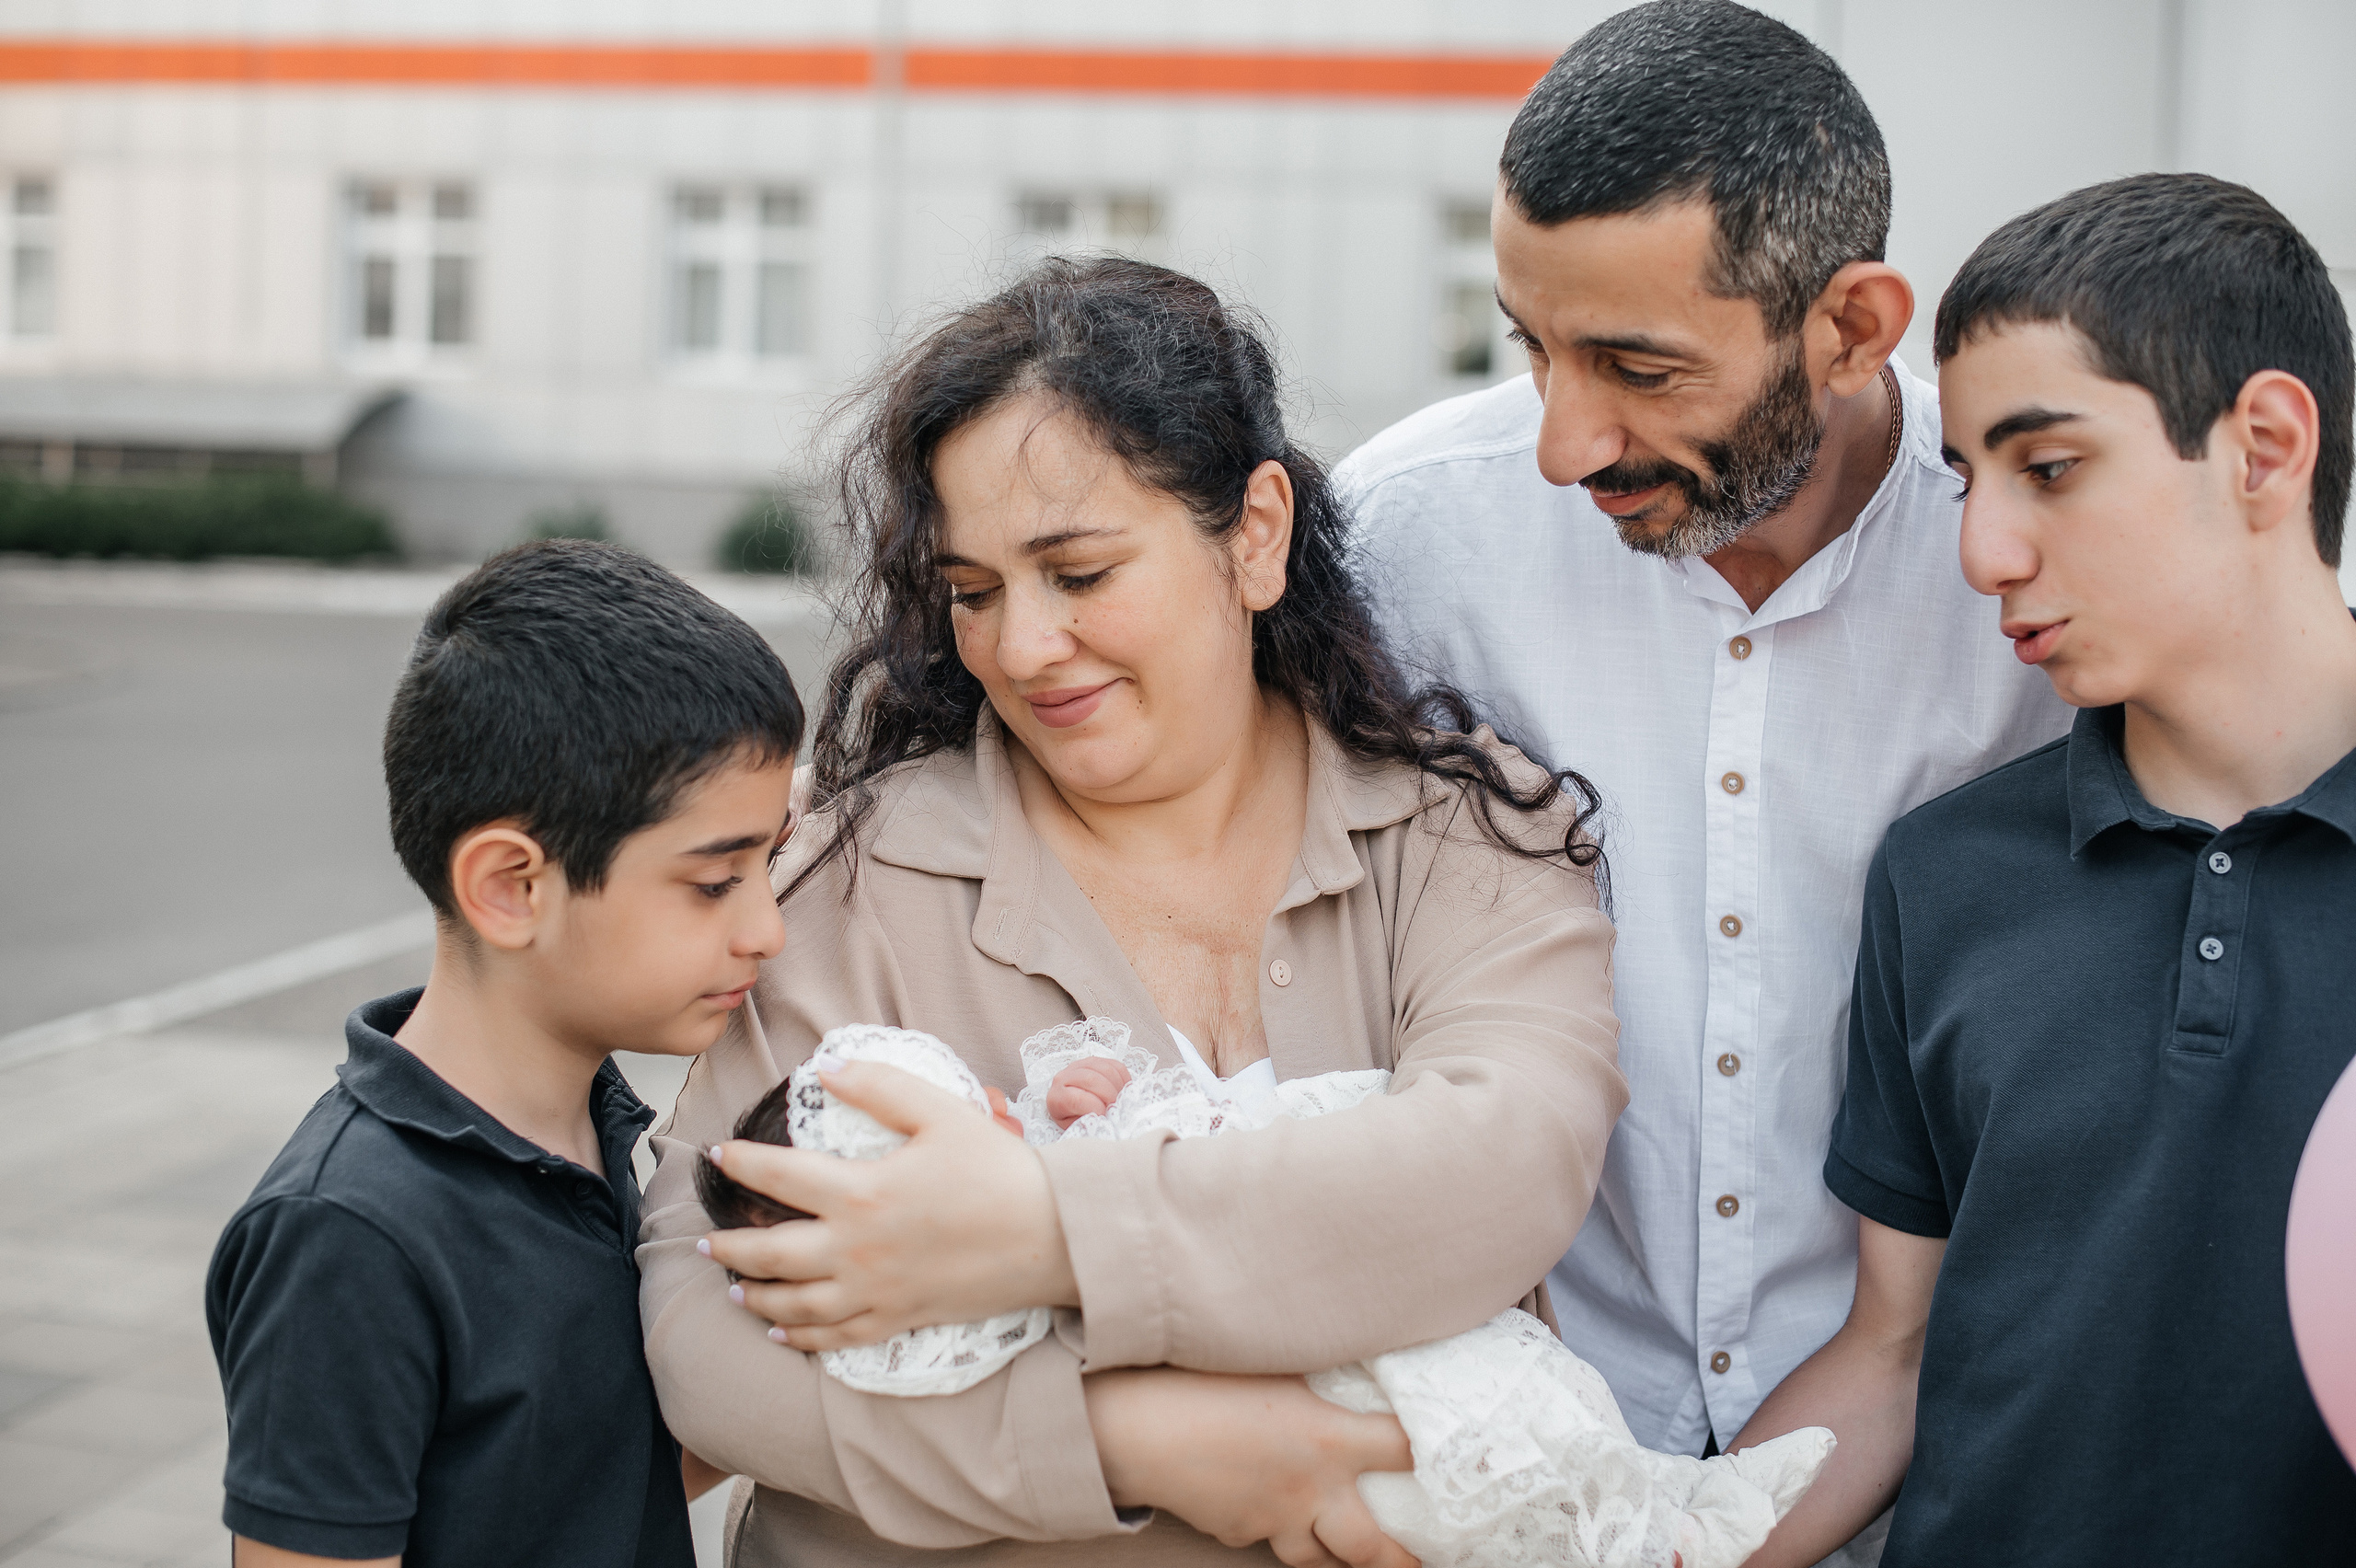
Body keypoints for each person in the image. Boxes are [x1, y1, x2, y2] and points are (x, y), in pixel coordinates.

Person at [635, 255, 1627, 1566]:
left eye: (1080, 572)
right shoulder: (851, 880)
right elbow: (701, 1342)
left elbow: (1497, 1174)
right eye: (973, 592)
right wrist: (1129, 1444)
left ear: (1255, 534)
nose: (1021, 648)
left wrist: (1033, 1233)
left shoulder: (1463, 835)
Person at [1335, 1, 2069, 1534]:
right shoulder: (1405, 538)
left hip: (1943, 1475)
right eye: (1532, 345)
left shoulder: (2037, 573)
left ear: (1852, 327)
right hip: (1504, 1465)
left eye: (1636, 366)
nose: (1564, 440)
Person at [1728, 172, 2356, 1563]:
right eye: (1968, 480)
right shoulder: (1945, 877)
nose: (1981, 551)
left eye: (2050, 469)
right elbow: (1891, 1357)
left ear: (2262, 448)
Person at [703, 1020, 1834, 1568]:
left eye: (981, 1101)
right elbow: (912, 1352)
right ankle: (1647, 1541)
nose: (1001, 1116)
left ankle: (1664, 1512)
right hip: (1312, 1396)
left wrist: (1084, 1109)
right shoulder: (917, 1315)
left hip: (1329, 1321)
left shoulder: (1044, 1141)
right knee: (1453, 1498)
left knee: (1519, 1408)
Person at [205, 540, 800, 1567]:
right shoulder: (345, 1236)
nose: (768, 930)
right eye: (715, 883)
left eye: (770, 865)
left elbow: (586, 1490)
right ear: (511, 888)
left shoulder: (595, 1135)